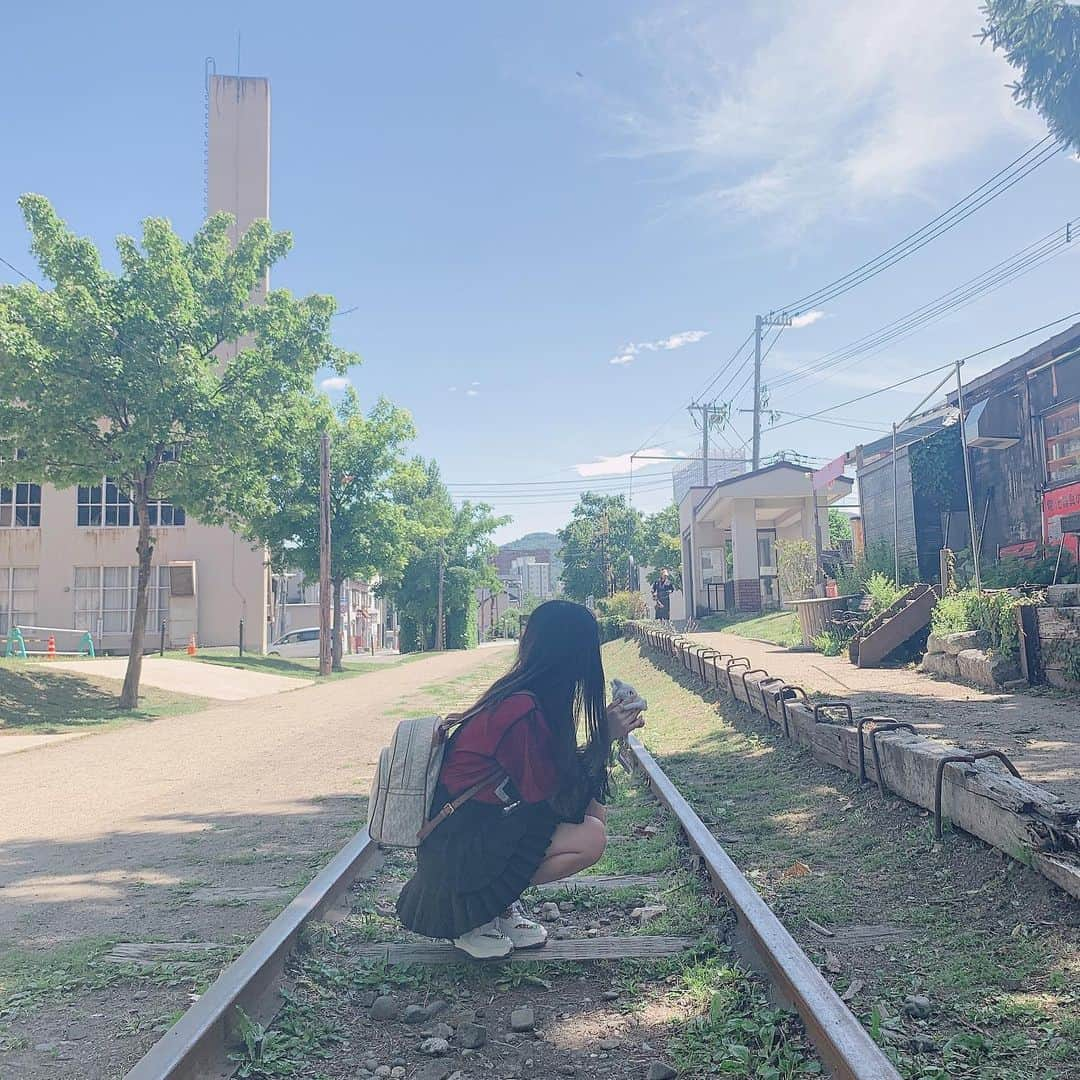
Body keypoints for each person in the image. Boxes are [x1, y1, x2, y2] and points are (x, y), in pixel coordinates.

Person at [395, 599, 646, 959]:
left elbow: (557, 788)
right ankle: (471, 917)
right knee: (590, 835)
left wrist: (603, 739)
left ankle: (495, 906)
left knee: (594, 817)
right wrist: (602, 738)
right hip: (456, 854)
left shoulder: (529, 699)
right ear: (571, 655)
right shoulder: (520, 711)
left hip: (476, 832)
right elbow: (553, 800)